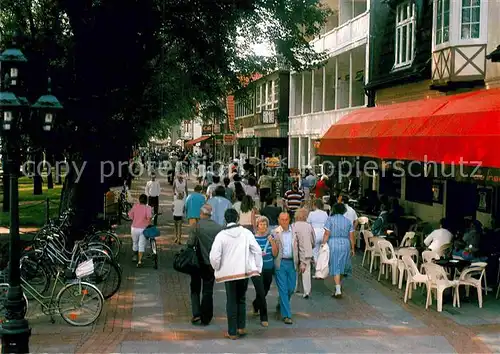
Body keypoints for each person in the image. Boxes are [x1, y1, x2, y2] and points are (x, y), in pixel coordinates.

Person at [209, 209, 263, 340]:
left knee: (231, 301)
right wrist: (257, 268)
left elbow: (214, 256)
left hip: (228, 274)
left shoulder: (221, 235)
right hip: (243, 272)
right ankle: (241, 327)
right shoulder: (246, 233)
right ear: (238, 218)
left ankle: (232, 332)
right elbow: (257, 249)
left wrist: (217, 267)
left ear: (225, 219)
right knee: (241, 299)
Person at [187, 204, 222, 326]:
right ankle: (206, 317)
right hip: (210, 263)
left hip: (197, 261)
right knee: (208, 290)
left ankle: (196, 313)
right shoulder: (218, 228)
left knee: (195, 288)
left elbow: (190, 243)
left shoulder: (196, 226)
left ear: (201, 214)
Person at [272, 212, 307, 324]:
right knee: (283, 288)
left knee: (291, 288)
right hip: (280, 262)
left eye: (286, 219)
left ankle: (281, 303)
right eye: (282, 219)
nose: (284, 222)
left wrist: (303, 262)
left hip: (292, 263)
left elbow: (301, 248)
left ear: (289, 220)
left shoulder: (295, 232)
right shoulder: (275, 232)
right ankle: (286, 315)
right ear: (278, 220)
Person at [322, 203, 355, 298]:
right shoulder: (348, 221)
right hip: (345, 244)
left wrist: (323, 244)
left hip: (333, 243)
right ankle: (338, 287)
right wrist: (353, 248)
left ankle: (338, 289)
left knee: (335, 265)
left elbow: (327, 234)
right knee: (342, 265)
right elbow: (352, 237)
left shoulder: (330, 220)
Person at [251, 216, 275, 327]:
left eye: (265, 224)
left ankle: (256, 304)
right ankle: (263, 317)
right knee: (261, 291)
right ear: (257, 225)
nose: (263, 226)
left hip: (268, 267)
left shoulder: (270, 237)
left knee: (265, 290)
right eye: (261, 224)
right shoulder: (253, 238)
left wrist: (272, 242)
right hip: (257, 269)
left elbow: (275, 253)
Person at [292, 208, 315, 299]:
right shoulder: (309, 226)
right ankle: (306, 291)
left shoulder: (293, 226)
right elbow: (313, 239)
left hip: (295, 251)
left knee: (295, 270)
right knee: (306, 271)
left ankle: (294, 288)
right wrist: (311, 246)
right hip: (306, 251)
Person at [128, 194, 152, 267]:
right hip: (143, 229)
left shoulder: (135, 206)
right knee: (141, 244)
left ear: (139, 200)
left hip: (134, 228)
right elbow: (149, 217)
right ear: (146, 201)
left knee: (135, 242)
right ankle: (140, 261)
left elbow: (130, 215)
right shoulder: (148, 208)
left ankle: (135, 256)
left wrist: (136, 219)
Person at [308, 199, 329, 263]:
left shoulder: (311, 213)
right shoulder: (325, 213)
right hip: (323, 233)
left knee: (315, 251)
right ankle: (321, 265)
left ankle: (317, 266)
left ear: (315, 205)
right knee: (322, 251)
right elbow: (327, 224)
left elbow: (308, 224)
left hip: (314, 233)